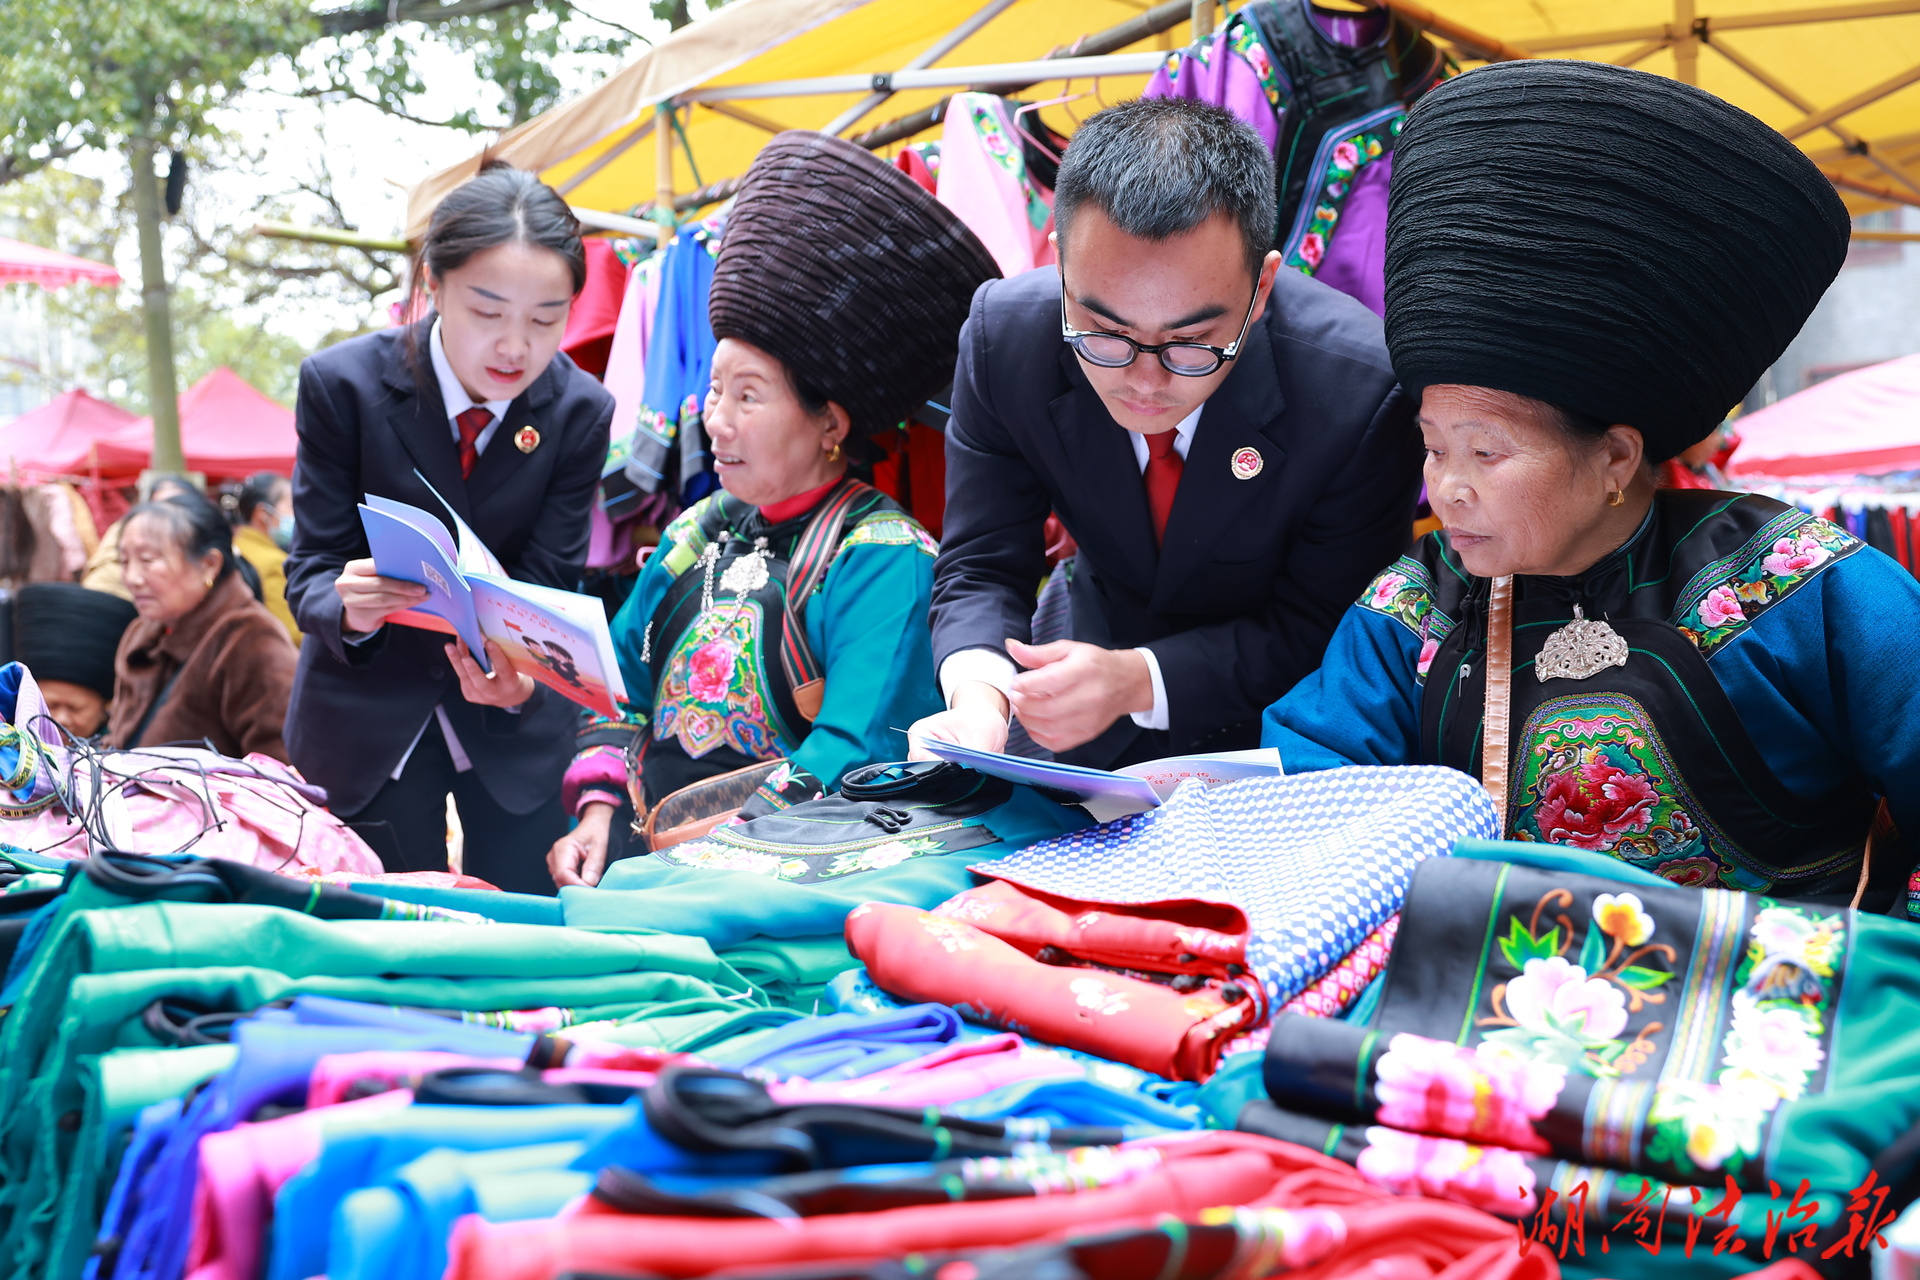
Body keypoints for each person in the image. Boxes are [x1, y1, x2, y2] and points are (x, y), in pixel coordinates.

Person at [1261, 61, 1920, 909]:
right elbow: (1306, 803)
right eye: (1433, 449)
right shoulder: (1414, 611)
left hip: (1785, 1007)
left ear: (1614, 458)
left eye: (1486, 454)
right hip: (1488, 1013)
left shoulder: (1795, 582)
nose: (1446, 491)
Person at [908, 98, 1420, 770]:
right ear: (1061, 265)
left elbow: (1321, 623)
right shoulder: (1007, 340)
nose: (1144, 381)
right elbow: (981, 563)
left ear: (1261, 287)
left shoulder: (1358, 391)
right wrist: (980, 702)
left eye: (1191, 342)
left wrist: (1137, 682)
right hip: (1079, 686)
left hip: (1281, 735)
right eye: (1105, 332)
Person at [546, 130, 999, 888]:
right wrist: (597, 813)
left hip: (785, 876)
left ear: (831, 424)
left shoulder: (884, 555)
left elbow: (854, 748)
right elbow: (619, 685)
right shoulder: (694, 532)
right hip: (644, 863)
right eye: (715, 389)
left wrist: (700, 856)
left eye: (747, 396)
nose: (715, 420)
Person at [283, 165, 615, 894]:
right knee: (380, 951)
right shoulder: (344, 386)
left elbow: (551, 581)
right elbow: (309, 570)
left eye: (546, 319)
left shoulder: (578, 410)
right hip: (365, 726)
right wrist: (352, 607)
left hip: (511, 730)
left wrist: (522, 681)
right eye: (488, 312)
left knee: (525, 945)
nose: (516, 347)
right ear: (431, 284)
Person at [105, 489, 298, 760]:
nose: (132, 577)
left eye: (148, 560)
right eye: (124, 561)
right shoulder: (141, 633)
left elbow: (279, 763)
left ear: (210, 564)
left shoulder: (250, 638)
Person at [10, 582, 138, 738]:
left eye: (75, 708)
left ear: (104, 709)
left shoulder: (124, 752)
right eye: (50, 706)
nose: (61, 719)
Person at [230, 471, 300, 643]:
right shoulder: (273, 562)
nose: (299, 514)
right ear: (263, 513)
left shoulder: (236, 545)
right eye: (292, 506)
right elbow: (292, 633)